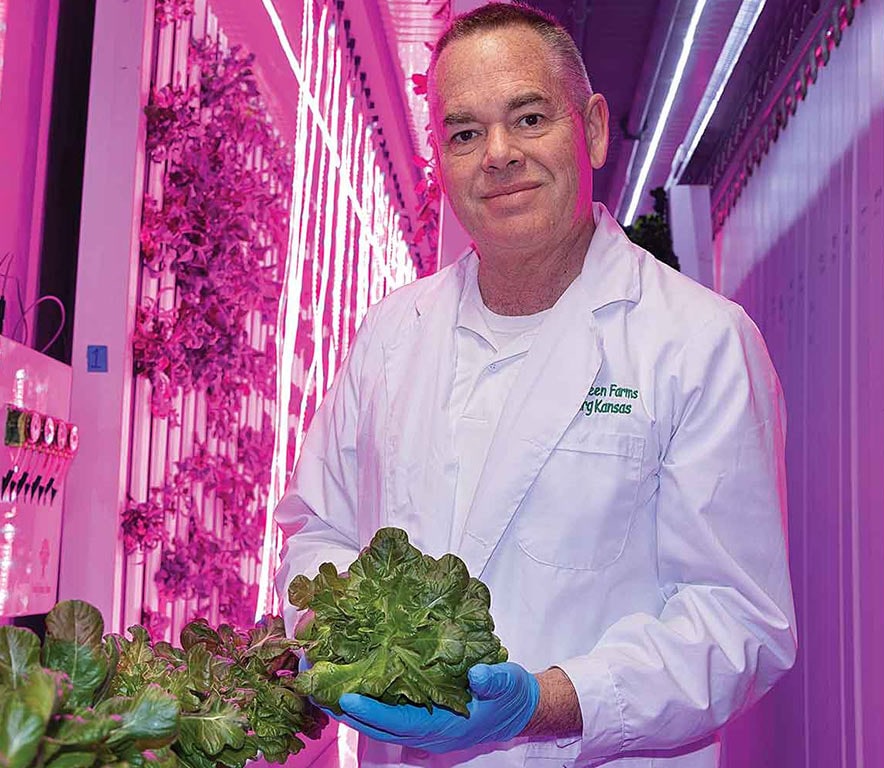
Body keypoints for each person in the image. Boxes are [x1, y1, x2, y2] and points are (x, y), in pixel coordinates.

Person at [274, 3, 797, 766]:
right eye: (464, 133)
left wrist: (542, 704)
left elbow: (738, 624)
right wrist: (342, 648)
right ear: (441, 160)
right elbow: (317, 527)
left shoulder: (698, 343)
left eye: (527, 118)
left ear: (589, 129)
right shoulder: (392, 333)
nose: (498, 154)